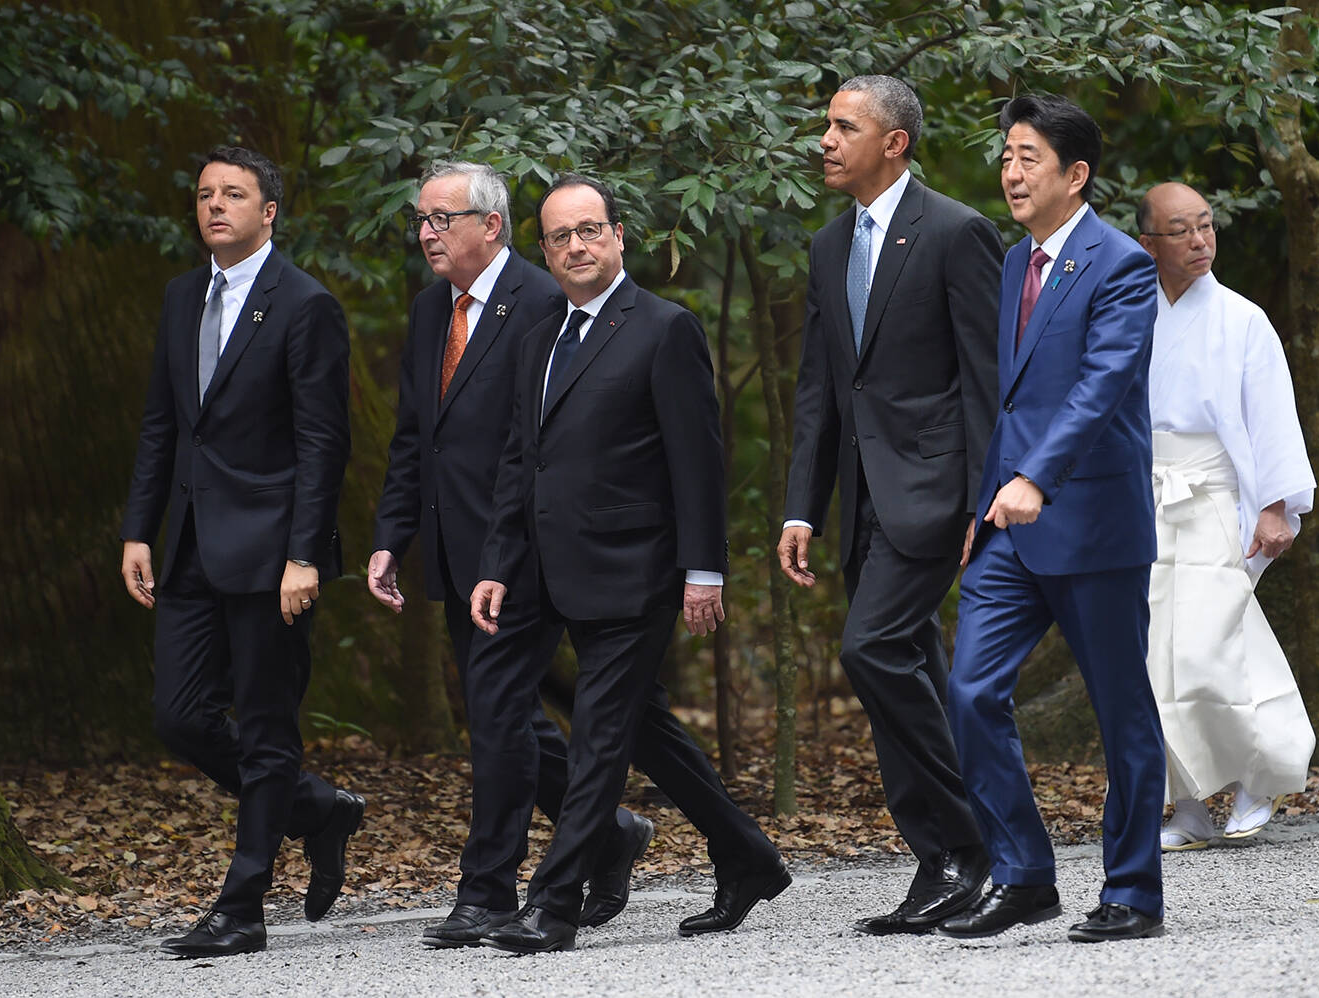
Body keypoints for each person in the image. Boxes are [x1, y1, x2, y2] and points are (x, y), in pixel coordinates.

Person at [469, 174, 787, 954]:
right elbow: (522, 461)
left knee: (598, 740)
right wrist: (498, 562)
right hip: (545, 571)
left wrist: (703, 572)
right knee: (639, 727)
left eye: (589, 230)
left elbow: (697, 463)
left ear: (619, 236)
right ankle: (747, 855)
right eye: (559, 237)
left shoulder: (663, 328)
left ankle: (552, 904)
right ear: (541, 249)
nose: (575, 246)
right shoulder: (538, 332)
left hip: (633, 572)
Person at [367, 161, 653, 946]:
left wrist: (509, 550)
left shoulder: (541, 300)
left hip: (525, 553)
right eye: (420, 221)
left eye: (439, 218)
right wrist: (393, 536)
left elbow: (537, 448)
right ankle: (611, 834)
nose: (425, 233)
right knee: (511, 718)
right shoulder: (431, 312)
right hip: (455, 554)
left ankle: (488, 889)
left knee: (497, 717)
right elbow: (412, 439)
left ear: (489, 225)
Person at [120, 145, 363, 957]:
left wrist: (304, 555)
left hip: (272, 553)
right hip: (188, 545)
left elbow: (324, 443)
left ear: (270, 212)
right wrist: (137, 530)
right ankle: (317, 810)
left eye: (234, 194)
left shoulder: (305, 305)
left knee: (266, 727)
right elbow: (163, 423)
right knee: (179, 717)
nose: (215, 206)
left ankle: (243, 905)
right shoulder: (181, 294)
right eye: (203, 195)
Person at [938, 94, 1168, 944]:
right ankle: (1027, 872)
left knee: (1121, 713)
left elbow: (1101, 386)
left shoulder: (1121, 265)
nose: (1010, 171)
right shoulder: (1013, 264)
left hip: (1095, 522)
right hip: (1010, 526)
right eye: (1005, 156)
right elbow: (1012, 402)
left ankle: (1134, 891)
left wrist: (1036, 476)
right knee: (968, 691)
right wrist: (987, 502)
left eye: (1028, 156)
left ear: (1076, 174)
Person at [777, 74, 1002, 935]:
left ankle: (970, 842)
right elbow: (820, 391)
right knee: (903, 672)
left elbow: (987, 380)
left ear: (895, 142)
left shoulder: (955, 231)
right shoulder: (829, 246)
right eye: (826, 126)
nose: (825, 140)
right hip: (864, 499)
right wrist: (804, 508)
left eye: (844, 126)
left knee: (868, 650)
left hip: (938, 490)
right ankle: (942, 861)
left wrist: (986, 501)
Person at [1136, 182, 1317, 850]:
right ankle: (1184, 805)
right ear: (1148, 243)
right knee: (1157, 659)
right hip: (1149, 496)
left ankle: (1259, 777)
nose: (1199, 241)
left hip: (1217, 495)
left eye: (1207, 226)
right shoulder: (1133, 314)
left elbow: (1270, 418)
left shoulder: (1243, 320)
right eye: (1180, 230)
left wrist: (1273, 506)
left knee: (1214, 644)